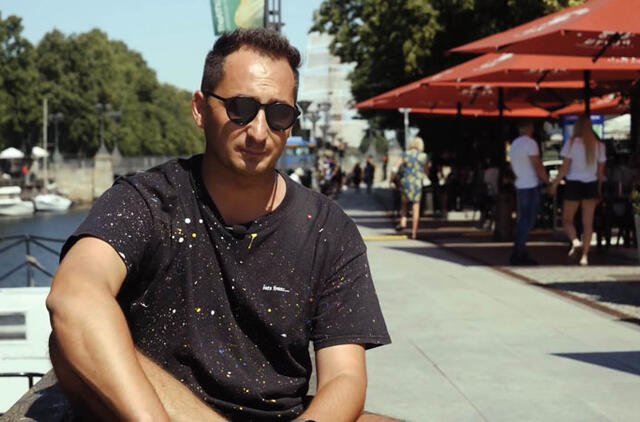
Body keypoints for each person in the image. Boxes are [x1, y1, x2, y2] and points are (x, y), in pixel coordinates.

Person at [46, 28, 392, 422]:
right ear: (199, 108)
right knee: (72, 339)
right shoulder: (148, 200)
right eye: (241, 108)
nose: (259, 132)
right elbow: (75, 294)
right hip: (162, 412)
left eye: (278, 114)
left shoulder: (329, 229)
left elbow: (344, 377)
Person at [551, 114, 606, 266]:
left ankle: (575, 241)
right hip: (591, 184)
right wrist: (599, 190)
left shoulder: (571, 144)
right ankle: (585, 256)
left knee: (567, 219)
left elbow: (564, 168)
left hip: (574, 183)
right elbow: (600, 172)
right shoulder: (599, 146)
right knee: (588, 223)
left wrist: (554, 184)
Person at [508, 119, 550, 266]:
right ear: (529, 127)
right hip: (530, 185)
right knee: (528, 220)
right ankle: (518, 252)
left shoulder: (514, 144)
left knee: (523, 220)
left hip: (520, 184)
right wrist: (547, 181)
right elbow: (537, 164)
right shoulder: (530, 143)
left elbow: (512, 166)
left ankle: (520, 250)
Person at [392, 136, 428, 239]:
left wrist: (391, 180)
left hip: (406, 182)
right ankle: (414, 233)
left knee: (404, 203)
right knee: (416, 207)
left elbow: (394, 168)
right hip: (417, 183)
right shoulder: (423, 156)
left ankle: (403, 222)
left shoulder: (405, 154)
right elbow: (426, 171)